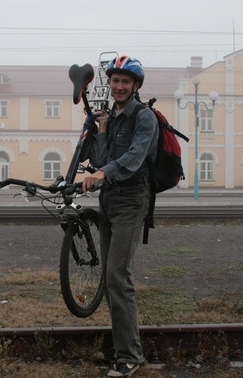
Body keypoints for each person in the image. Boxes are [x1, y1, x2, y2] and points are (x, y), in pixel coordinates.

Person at [82, 55, 159, 377]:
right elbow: (101, 158)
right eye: (115, 81)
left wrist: (101, 174)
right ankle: (122, 347)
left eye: (126, 81)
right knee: (111, 278)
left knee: (118, 277)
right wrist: (100, 129)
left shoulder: (145, 118)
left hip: (131, 199)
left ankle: (130, 356)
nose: (119, 86)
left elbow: (133, 158)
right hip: (109, 200)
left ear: (136, 85)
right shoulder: (110, 116)